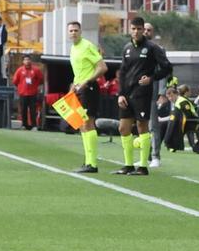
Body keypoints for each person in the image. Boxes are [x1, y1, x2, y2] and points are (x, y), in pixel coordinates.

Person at [113, 16, 172, 176]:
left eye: (139, 29)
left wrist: (152, 79)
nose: (137, 31)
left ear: (143, 30)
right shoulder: (126, 48)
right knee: (123, 128)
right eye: (134, 28)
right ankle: (128, 165)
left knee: (142, 127)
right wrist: (121, 94)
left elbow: (167, 67)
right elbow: (123, 73)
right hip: (127, 95)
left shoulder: (152, 48)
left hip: (143, 94)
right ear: (129, 29)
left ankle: (143, 166)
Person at [67, 21, 107, 173]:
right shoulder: (73, 48)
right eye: (71, 30)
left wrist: (87, 81)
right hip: (79, 88)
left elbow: (102, 67)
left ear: (81, 31)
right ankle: (88, 161)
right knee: (81, 124)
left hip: (88, 88)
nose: (73, 33)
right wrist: (73, 87)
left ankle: (92, 163)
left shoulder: (87, 46)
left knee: (87, 123)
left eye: (76, 30)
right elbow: (78, 72)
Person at [12, 55, 43, 130]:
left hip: (33, 93)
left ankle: (34, 125)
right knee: (23, 110)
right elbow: (15, 81)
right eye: (25, 60)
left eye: (28, 59)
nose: (27, 61)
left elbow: (41, 79)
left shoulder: (36, 70)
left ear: (31, 61)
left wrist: (35, 86)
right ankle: (24, 125)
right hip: (23, 93)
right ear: (23, 61)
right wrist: (20, 87)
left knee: (33, 110)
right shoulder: (20, 70)